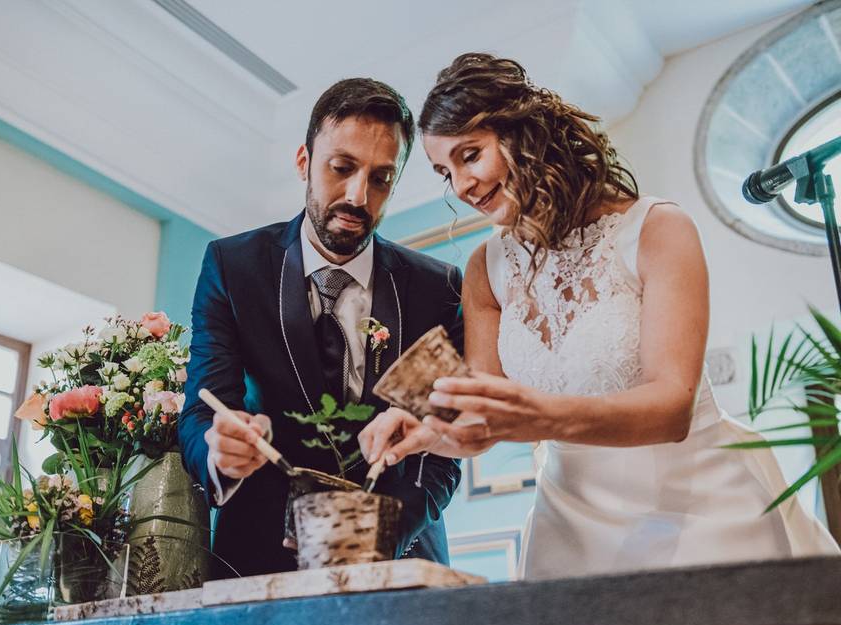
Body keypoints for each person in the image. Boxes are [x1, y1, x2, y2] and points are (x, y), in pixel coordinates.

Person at [359, 53, 839, 580]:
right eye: (445, 173)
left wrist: (539, 415)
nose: (463, 185)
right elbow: (483, 421)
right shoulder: (484, 271)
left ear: (525, 131)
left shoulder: (657, 230)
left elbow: (671, 407)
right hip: (570, 531)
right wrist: (428, 432)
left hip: (699, 515)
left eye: (470, 155)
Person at [179, 77, 463, 578]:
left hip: (398, 564)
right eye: (342, 168)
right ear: (304, 162)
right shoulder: (232, 266)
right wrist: (221, 453)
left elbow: (438, 449)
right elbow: (201, 412)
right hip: (258, 562)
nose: (359, 196)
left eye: (380, 179)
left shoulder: (436, 288)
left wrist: (375, 535)